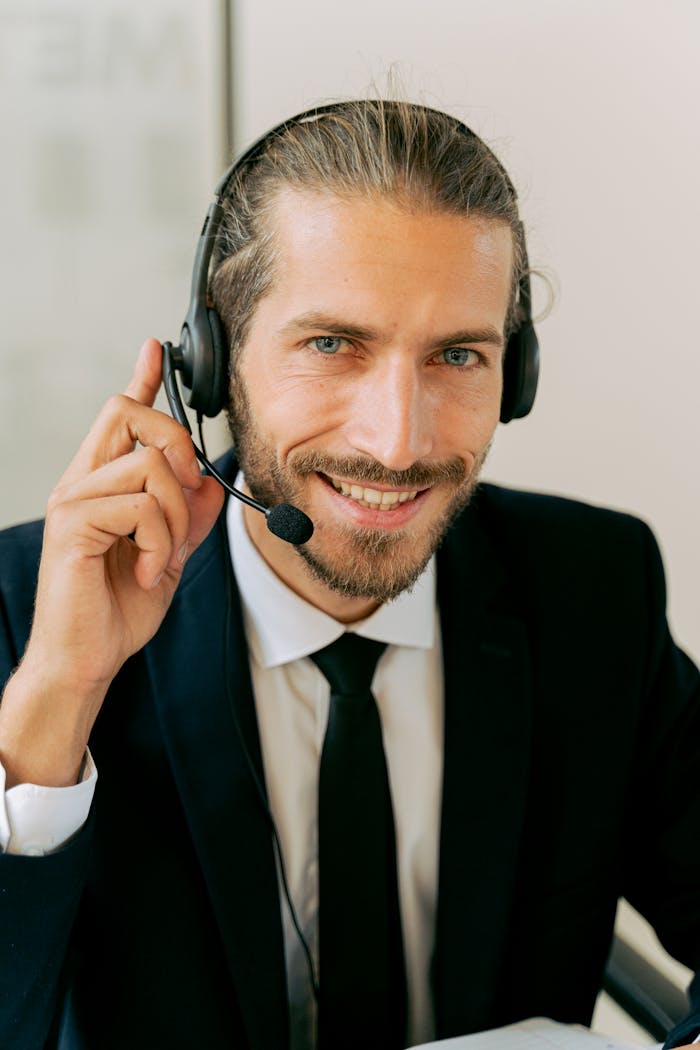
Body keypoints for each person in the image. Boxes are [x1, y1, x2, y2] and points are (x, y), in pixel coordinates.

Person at [0, 99, 698, 1050]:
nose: (397, 441)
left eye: (458, 355)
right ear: (212, 363)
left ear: (517, 375)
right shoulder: (28, 606)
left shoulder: (593, 589)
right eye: (332, 344)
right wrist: (59, 691)